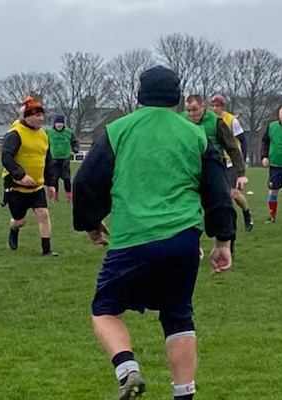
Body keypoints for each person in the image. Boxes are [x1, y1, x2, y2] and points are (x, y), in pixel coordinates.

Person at [73, 66, 236, 400]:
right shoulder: (195, 134)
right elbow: (218, 191)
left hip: (132, 238)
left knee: (105, 310)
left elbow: (86, 182)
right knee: (178, 316)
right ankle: (184, 394)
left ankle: (127, 369)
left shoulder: (118, 130)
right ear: (176, 97)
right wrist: (223, 239)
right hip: (182, 240)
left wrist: (92, 223)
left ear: (140, 94)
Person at [1, 96, 58, 256]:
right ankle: (14, 228)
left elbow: (47, 160)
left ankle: (46, 251)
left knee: (43, 214)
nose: (41, 118)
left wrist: (51, 183)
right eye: (37, 115)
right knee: (20, 220)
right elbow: (6, 158)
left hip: (36, 186)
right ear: (27, 116)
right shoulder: (14, 134)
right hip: (16, 186)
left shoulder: (43, 135)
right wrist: (21, 176)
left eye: (42, 115)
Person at [207, 94, 254, 232]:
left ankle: (246, 214)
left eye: (218, 106)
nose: (215, 108)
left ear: (223, 107)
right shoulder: (210, 121)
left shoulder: (231, 120)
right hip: (217, 161)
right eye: (213, 106)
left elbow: (242, 140)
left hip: (231, 162)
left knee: (233, 193)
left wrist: (242, 159)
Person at [45, 115, 79, 202]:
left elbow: (75, 141)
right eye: (57, 124)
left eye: (60, 124)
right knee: (54, 178)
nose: (59, 125)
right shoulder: (49, 132)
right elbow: (43, 141)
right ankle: (55, 196)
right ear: (54, 124)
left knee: (66, 178)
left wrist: (75, 148)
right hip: (53, 159)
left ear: (63, 124)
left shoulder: (69, 132)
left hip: (65, 158)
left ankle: (69, 196)